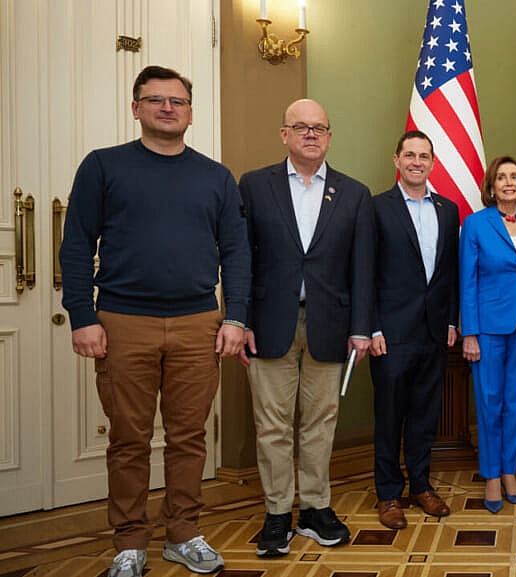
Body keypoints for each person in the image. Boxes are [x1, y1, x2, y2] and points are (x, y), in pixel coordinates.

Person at [60, 65, 249, 576]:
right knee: (128, 438)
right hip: (123, 322)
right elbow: (76, 245)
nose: (167, 108)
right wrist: (81, 315)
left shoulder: (215, 177)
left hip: (198, 324)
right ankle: (129, 542)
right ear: (136, 107)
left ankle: (183, 532)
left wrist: (236, 317)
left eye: (177, 101)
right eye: (155, 99)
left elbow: (236, 251)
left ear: (190, 112)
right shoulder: (103, 167)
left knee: (190, 437)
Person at [238, 99, 374, 557]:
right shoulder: (255, 186)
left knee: (320, 425)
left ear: (330, 136)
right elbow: (242, 261)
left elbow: (362, 268)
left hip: (331, 327)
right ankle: (277, 514)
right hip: (269, 325)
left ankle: (316, 509)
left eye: (319, 128)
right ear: (284, 134)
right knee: (272, 426)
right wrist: (239, 321)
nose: (311, 134)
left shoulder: (353, 193)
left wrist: (361, 327)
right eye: (301, 127)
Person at [370, 130, 460, 530]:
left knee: (425, 413)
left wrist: (453, 320)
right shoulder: (376, 208)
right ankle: (389, 493)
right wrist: (370, 327)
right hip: (390, 331)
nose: (417, 161)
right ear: (396, 160)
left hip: (434, 330)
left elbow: (451, 272)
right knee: (390, 415)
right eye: (410, 154)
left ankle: (420, 485)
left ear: (432, 162)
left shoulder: (448, 209)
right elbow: (365, 273)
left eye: (424, 155)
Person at [460, 156, 516, 514]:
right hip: (488, 328)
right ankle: (492, 476)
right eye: (502, 177)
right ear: (491, 186)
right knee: (489, 401)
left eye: (515, 176)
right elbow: (466, 280)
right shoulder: (476, 224)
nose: (509, 182)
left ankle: (511, 471)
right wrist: (470, 333)